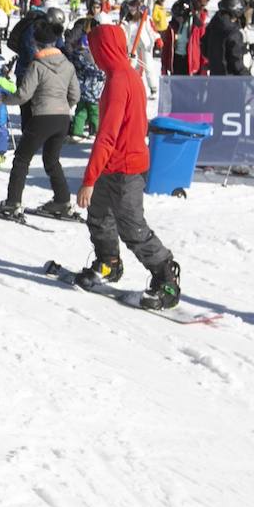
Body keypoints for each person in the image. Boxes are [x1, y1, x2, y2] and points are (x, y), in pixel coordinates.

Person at [73, 24, 180, 310]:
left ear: (103, 50)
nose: (92, 55)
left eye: (94, 49)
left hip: (126, 167)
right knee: (99, 216)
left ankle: (166, 278)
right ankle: (109, 262)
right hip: (113, 164)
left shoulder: (120, 81)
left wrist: (88, 179)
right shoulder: (124, 74)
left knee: (132, 227)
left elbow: (107, 135)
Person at [0, 19, 78, 219]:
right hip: (62, 119)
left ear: (37, 44)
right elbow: (75, 94)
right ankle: (63, 201)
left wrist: (5, 99)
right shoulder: (67, 65)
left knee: (22, 158)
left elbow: (24, 95)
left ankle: (13, 202)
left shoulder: (37, 65)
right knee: (52, 160)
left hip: (42, 117)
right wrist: (63, 106)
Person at [67, 19, 105, 140]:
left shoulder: (78, 57)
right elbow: (100, 73)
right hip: (94, 91)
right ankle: (94, 131)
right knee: (94, 112)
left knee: (80, 111)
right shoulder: (95, 59)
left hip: (81, 89)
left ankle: (76, 132)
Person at [201, 0, 249, 76]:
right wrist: (247, 76)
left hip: (215, 73)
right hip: (230, 77)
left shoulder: (214, 24)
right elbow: (237, 62)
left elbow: (204, 47)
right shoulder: (233, 32)